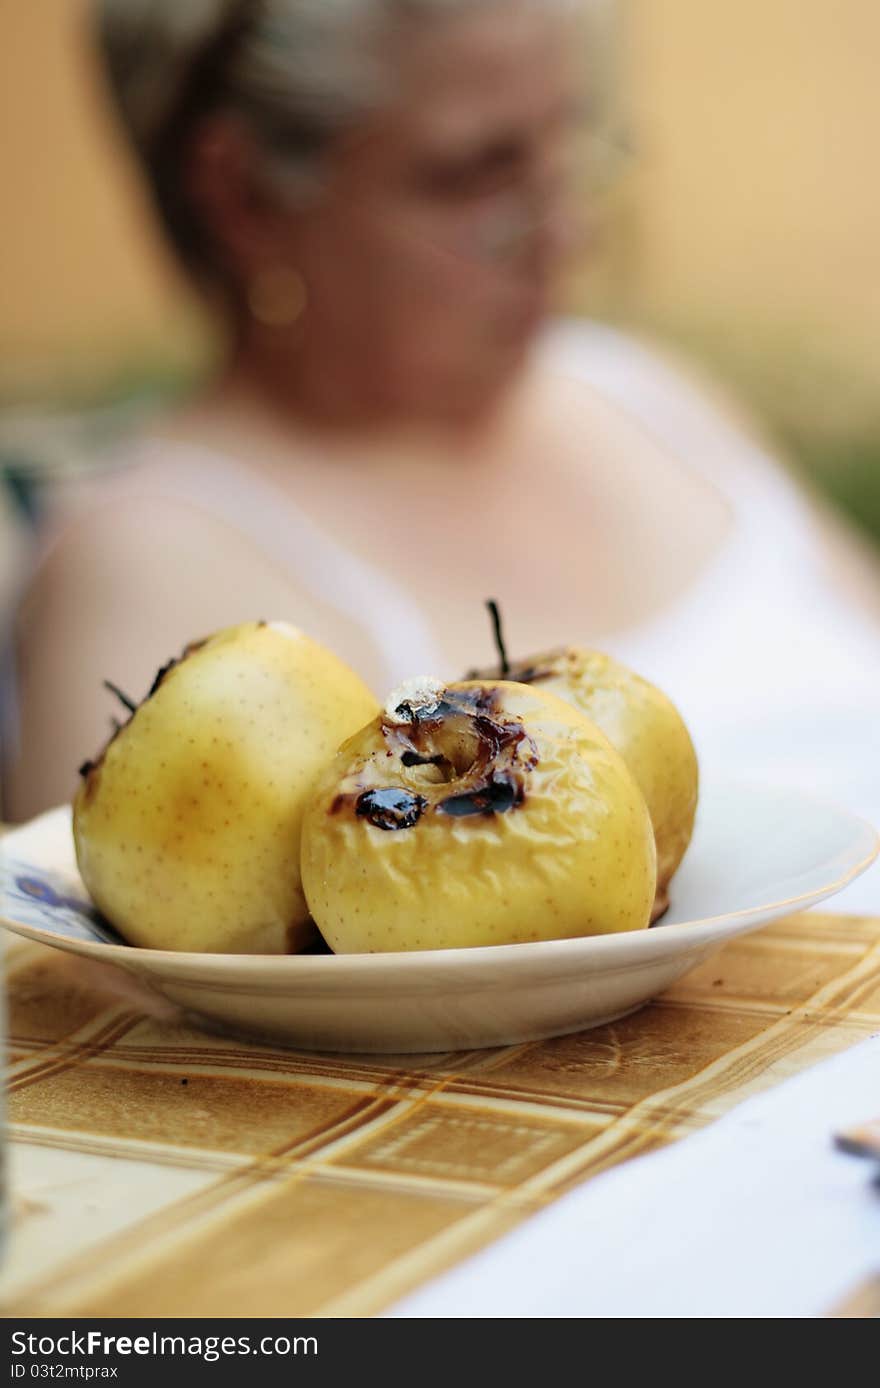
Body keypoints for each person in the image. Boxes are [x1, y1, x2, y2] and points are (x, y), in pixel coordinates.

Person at [3, 0, 880, 912]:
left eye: (568, 146)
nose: (566, 232)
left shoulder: (647, 394)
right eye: (475, 177)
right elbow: (132, 1016)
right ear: (246, 196)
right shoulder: (151, 564)